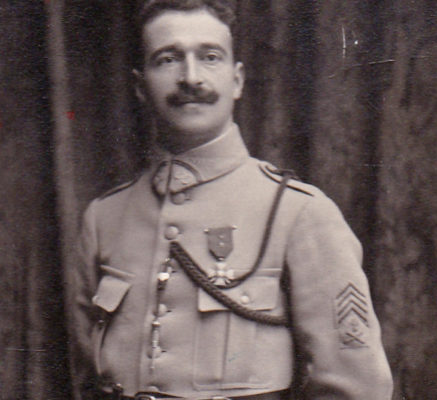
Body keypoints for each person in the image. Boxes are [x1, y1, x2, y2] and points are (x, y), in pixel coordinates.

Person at [71, 1, 393, 399]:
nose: (191, 78)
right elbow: (86, 379)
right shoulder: (103, 219)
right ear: (140, 86)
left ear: (237, 80)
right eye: (168, 60)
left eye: (209, 57)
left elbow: (357, 387)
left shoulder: (299, 213)